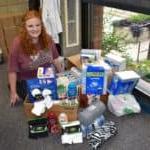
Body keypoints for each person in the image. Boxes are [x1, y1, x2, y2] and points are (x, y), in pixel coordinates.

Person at [8, 10, 62, 106]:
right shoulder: (17, 43)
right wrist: (13, 92)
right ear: (24, 28)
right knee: (40, 101)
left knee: (58, 94)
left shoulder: (47, 39)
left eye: (38, 25)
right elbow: (12, 70)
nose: (35, 29)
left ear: (42, 25)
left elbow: (55, 59)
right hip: (28, 80)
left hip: (46, 76)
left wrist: (62, 75)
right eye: (30, 26)